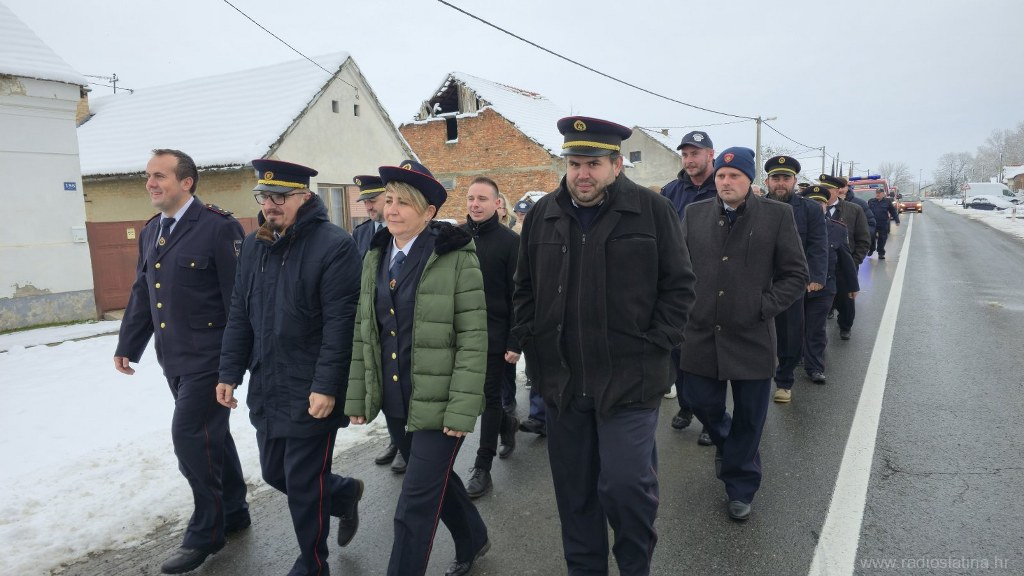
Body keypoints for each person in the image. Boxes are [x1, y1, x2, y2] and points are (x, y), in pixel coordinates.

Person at [514, 116, 695, 575]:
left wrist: (658, 343)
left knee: (626, 486)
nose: (582, 174)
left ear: (616, 165)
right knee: (575, 495)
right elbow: (524, 288)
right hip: (563, 382)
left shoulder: (652, 211)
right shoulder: (543, 215)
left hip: (630, 380)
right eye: (575, 163)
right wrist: (533, 342)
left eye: (593, 164)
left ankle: (635, 566)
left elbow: (679, 286)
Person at [216, 159, 364, 576]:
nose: (270, 205)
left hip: (312, 387)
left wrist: (327, 385)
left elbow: (341, 325)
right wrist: (229, 372)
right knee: (274, 473)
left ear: (304, 196)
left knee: (302, 481)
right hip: (268, 383)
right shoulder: (254, 246)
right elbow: (240, 314)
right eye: (264, 196)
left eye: (280, 196)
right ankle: (343, 493)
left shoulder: (334, 246)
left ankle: (313, 562)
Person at [345, 160, 489, 576]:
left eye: (404, 203)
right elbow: (365, 329)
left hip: (441, 403)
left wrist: (461, 409)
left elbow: (473, 337)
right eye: (389, 200)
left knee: (414, 503)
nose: (391, 209)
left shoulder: (455, 256)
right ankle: (473, 537)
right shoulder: (376, 255)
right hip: (397, 400)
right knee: (436, 484)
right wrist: (359, 394)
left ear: (428, 212)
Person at [114, 149, 249, 575]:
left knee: (190, 438)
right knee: (211, 437)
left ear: (186, 182)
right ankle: (234, 510)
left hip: (211, 358)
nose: (150, 183)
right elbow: (143, 290)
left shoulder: (218, 227)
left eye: (160, 176)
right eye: (148, 176)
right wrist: (128, 343)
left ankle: (207, 531)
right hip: (173, 357)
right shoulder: (152, 230)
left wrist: (233, 366)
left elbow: (239, 302)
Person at [680, 147, 808, 521]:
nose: (726, 182)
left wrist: (762, 307)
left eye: (734, 176)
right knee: (701, 402)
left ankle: (740, 485)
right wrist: (685, 307)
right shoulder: (694, 214)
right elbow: (678, 268)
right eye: (721, 175)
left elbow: (795, 274)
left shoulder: (776, 216)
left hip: (752, 335)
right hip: (701, 332)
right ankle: (730, 445)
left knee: (751, 417)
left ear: (749, 180)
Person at [461, 176, 522, 498]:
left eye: (482, 199)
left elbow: (518, 296)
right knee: (474, 397)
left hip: (494, 335)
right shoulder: (455, 238)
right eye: (471, 198)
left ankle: (482, 466)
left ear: (497, 204)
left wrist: (515, 341)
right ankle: (506, 425)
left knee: (488, 397)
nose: (475, 204)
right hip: (460, 335)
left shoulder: (510, 242)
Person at [660, 130, 717, 444]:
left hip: (712, 284)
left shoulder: (723, 186)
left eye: (695, 153)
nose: (689, 160)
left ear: (710, 154)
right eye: (685, 154)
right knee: (678, 353)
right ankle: (686, 406)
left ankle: (711, 418)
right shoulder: (672, 191)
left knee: (708, 357)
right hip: (677, 286)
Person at [351, 174, 408, 474]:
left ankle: (405, 444)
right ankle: (395, 439)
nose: (369, 207)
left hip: (399, 318)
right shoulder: (361, 233)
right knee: (384, 382)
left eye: (373, 200)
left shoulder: (402, 231)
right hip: (374, 318)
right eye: (366, 202)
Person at [763, 156, 827, 404]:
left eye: (785, 178)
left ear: (794, 181)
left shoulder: (810, 209)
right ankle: (758, 378)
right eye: (776, 178)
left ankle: (784, 381)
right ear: (767, 181)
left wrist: (815, 277)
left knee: (790, 334)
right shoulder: (755, 206)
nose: (780, 183)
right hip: (760, 281)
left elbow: (818, 245)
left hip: (791, 283)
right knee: (758, 334)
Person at [801, 185, 859, 384]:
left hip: (825, 287)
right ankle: (796, 356)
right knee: (795, 327)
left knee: (816, 328)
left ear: (827, 205)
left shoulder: (837, 228)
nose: (818, 206)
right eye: (813, 203)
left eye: (821, 203)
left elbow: (845, 260)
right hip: (796, 288)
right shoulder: (791, 225)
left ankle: (815, 367)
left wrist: (852, 286)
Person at [820, 174, 869, 340]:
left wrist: (854, 262)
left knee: (846, 300)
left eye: (828, 189)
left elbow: (863, 240)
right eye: (822, 188)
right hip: (821, 266)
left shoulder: (854, 210)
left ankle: (845, 326)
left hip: (845, 267)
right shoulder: (813, 208)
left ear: (838, 191)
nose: (824, 192)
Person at [867, 188, 900, 259]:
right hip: (872, 223)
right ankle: (871, 249)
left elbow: (893, 211)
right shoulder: (871, 201)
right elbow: (867, 211)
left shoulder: (887, 202)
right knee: (870, 237)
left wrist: (897, 220)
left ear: (883, 194)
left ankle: (881, 253)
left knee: (882, 238)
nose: (877, 194)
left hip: (883, 223)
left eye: (879, 193)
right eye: (877, 193)